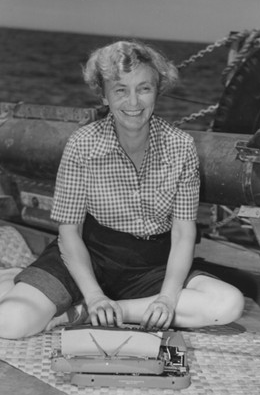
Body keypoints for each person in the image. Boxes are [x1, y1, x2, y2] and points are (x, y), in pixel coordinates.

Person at [0, 40, 244, 339]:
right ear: (103, 94)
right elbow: (69, 233)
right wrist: (93, 293)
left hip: (153, 265)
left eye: (144, 88)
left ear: (158, 90)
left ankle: (96, 313)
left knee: (228, 303)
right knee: (11, 322)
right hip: (89, 257)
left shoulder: (181, 146)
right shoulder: (82, 144)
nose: (133, 102)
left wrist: (166, 298)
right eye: (120, 90)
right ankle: (41, 288)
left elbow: (182, 233)